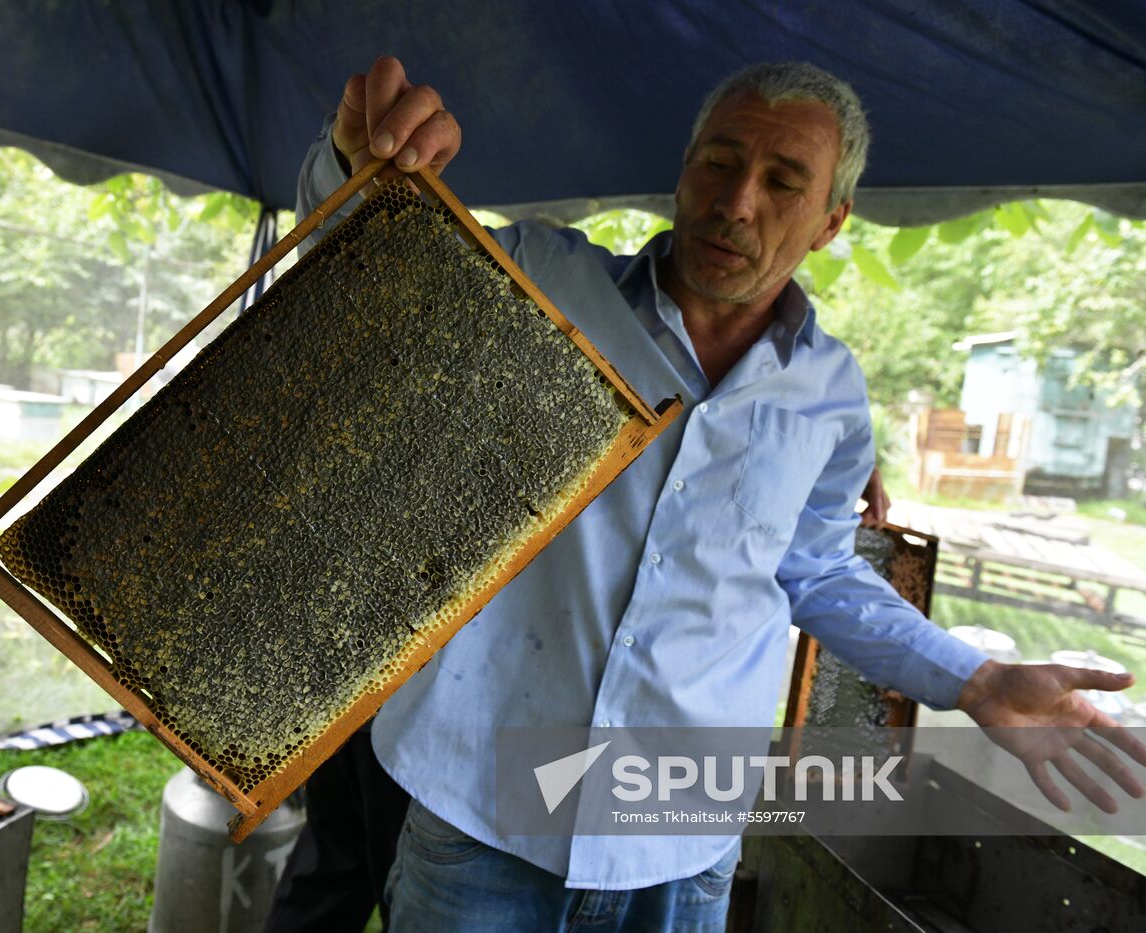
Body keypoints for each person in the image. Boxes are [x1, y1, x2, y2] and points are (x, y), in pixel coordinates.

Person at [287, 56, 1146, 931]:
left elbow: (814, 569)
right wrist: (351, 166)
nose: (737, 203)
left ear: (831, 221)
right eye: (720, 162)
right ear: (684, 169)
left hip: (678, 841)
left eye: (784, 181)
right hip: (481, 817)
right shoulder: (539, 283)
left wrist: (977, 678)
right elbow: (359, 268)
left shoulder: (832, 396)